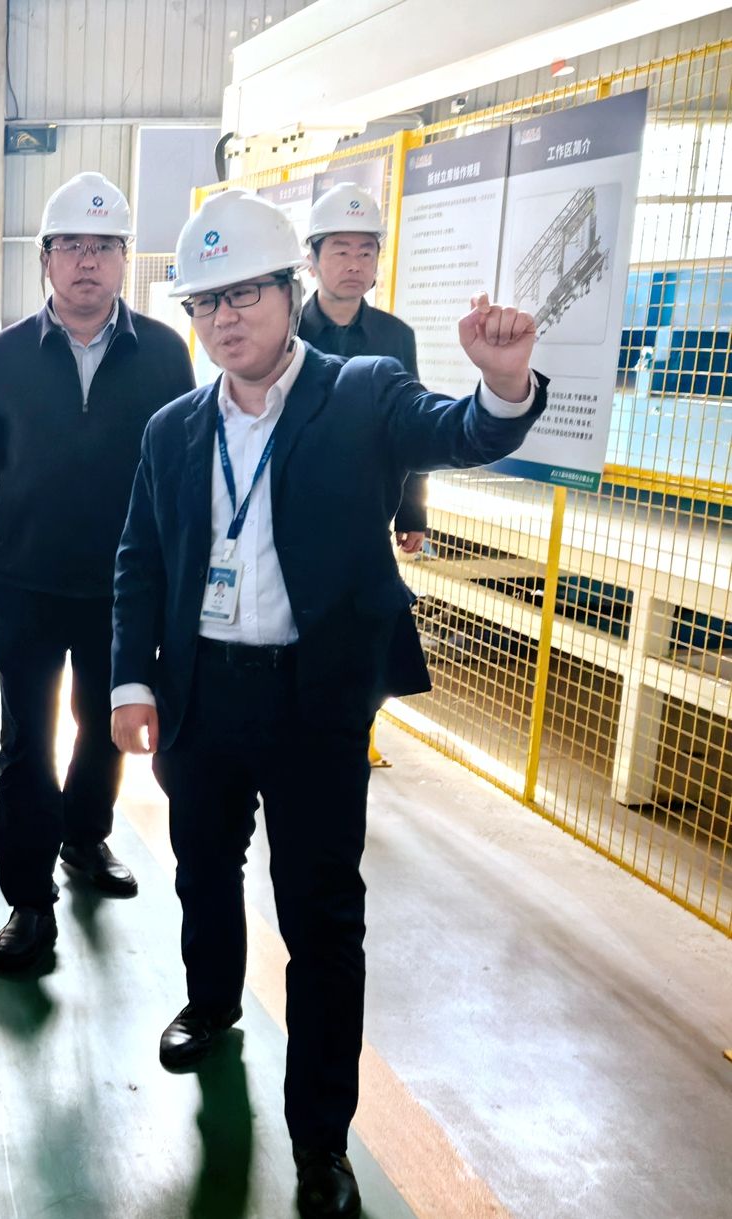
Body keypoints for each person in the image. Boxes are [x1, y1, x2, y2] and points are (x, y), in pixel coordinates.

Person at [110, 188, 543, 1218]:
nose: (225, 319)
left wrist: (503, 382)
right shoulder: (173, 429)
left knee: (322, 919)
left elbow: (461, 432)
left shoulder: (361, 393)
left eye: (245, 295)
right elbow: (139, 559)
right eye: (206, 302)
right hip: (204, 697)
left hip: (314, 703)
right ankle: (211, 1003)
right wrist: (131, 678)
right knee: (203, 872)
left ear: (289, 293)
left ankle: (321, 1141)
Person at [0, 171, 194, 972]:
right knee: (26, 741)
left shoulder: (165, 354)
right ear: (46, 258)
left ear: (125, 259)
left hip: (126, 589)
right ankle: (28, 902)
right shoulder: (3, 356)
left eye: (104, 247)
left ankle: (84, 837)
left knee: (105, 721)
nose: (88, 262)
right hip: (25, 580)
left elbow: (185, 481)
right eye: (72, 247)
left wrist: (179, 588)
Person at [297, 184, 426, 768]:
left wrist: (413, 511)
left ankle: (351, 742)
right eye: (340, 250)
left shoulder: (396, 338)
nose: (354, 263)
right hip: (295, 505)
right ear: (312, 258)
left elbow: (410, 428)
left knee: (363, 638)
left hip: (368, 513)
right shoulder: (285, 329)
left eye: (365, 251)